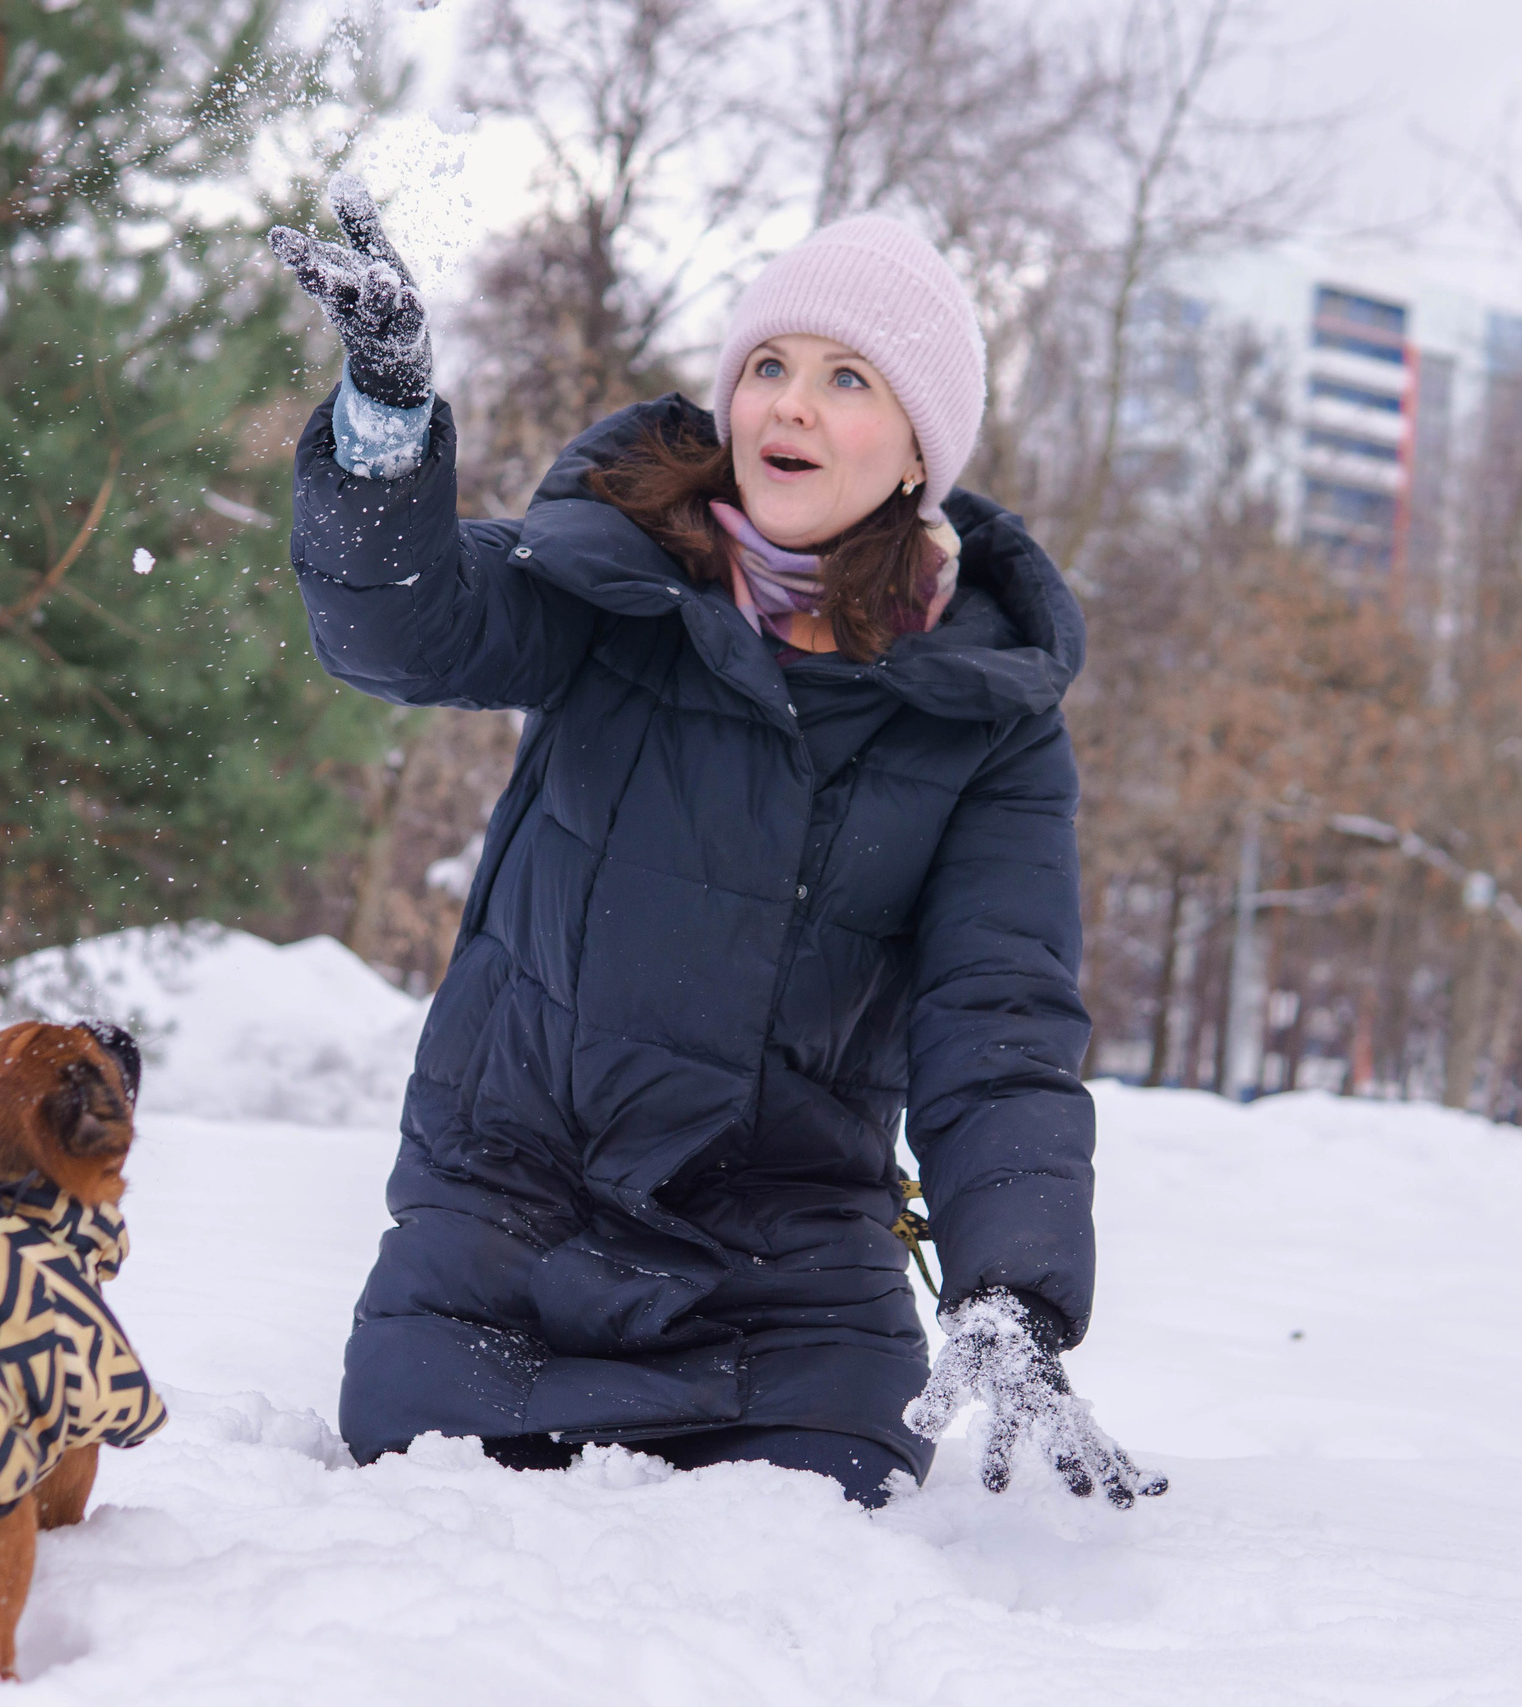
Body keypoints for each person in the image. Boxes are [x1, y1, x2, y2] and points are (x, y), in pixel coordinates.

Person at [268, 181, 1164, 1510]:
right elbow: (400, 633)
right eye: (768, 366)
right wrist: (386, 421)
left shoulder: (988, 721)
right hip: (510, 1232)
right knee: (424, 1488)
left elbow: (1000, 1020)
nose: (790, 404)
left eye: (848, 378)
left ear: (921, 451)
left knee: (823, 1525)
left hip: (784, 1280)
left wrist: (1009, 1290)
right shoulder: (617, 575)